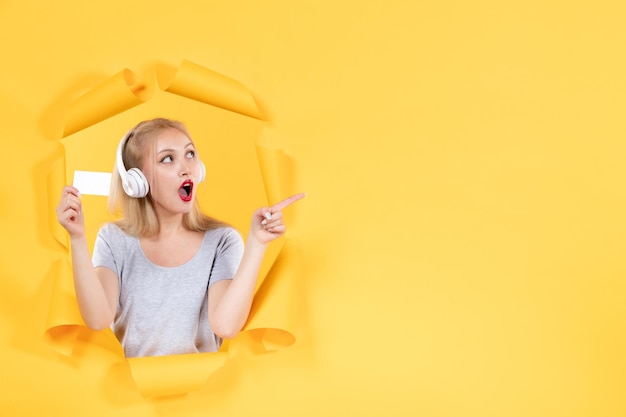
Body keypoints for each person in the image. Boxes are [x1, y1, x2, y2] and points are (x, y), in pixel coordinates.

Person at [56, 118, 305, 358]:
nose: (186, 168)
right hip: (135, 391)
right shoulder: (114, 240)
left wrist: (257, 242)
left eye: (190, 154)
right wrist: (77, 239)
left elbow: (227, 327)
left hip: (203, 390)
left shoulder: (222, 241)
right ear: (137, 182)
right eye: (167, 159)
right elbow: (98, 319)